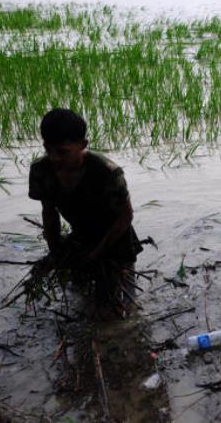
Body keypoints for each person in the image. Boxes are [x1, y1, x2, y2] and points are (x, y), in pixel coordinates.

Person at [28, 108, 142, 317]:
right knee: (80, 296)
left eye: (62, 151)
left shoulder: (107, 172)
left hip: (116, 240)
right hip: (81, 238)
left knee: (122, 306)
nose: (54, 158)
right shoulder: (41, 170)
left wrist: (97, 253)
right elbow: (49, 213)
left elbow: (125, 217)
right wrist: (56, 251)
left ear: (83, 145)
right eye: (48, 149)